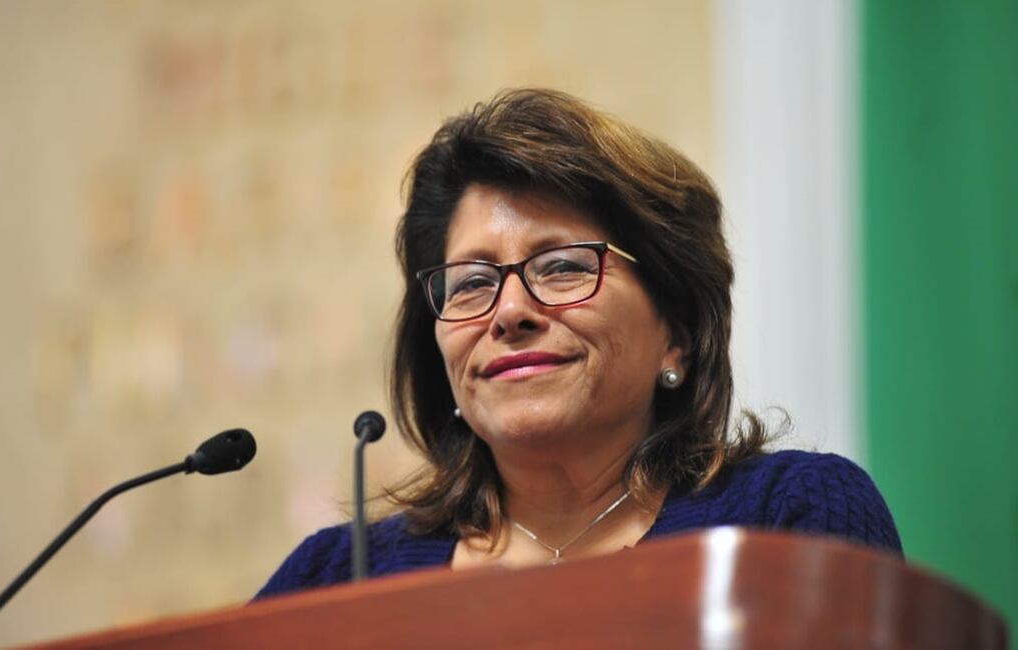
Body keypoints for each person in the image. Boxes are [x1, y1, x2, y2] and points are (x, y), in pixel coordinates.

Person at [255, 89, 901, 598]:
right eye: (472, 282)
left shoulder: (788, 516)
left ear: (676, 331)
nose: (509, 311)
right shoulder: (340, 575)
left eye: (561, 266)